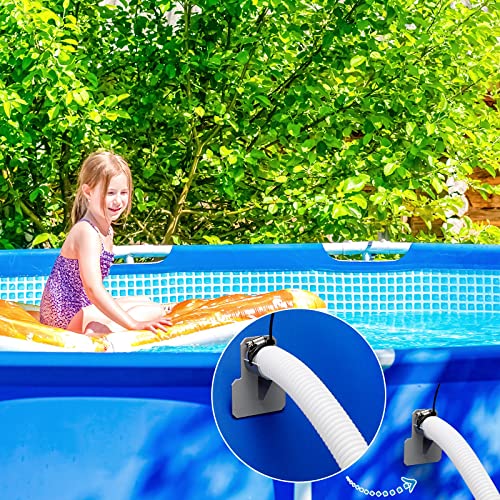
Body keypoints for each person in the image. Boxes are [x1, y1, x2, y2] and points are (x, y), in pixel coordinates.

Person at [39, 151, 172, 335]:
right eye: (110, 193)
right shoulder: (87, 232)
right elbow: (93, 288)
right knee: (154, 311)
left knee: (145, 301)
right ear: (88, 192)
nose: (118, 200)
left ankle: (98, 325)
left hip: (74, 310)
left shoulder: (106, 229)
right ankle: (97, 330)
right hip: (66, 318)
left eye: (123, 192)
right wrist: (133, 324)